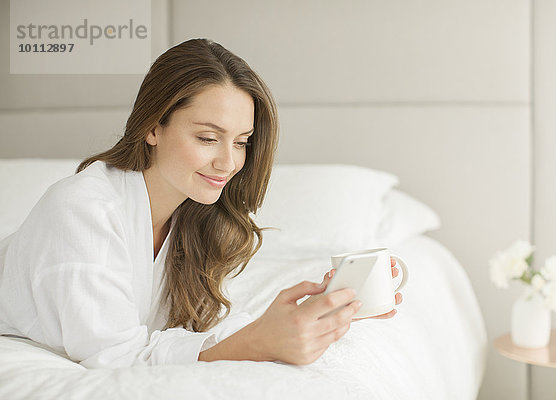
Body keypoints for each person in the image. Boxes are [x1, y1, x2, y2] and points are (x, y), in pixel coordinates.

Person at [0, 38, 402, 369]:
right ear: (153, 126)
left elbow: (188, 337)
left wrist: (317, 311)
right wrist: (254, 345)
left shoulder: (193, 215)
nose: (229, 163)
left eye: (241, 142)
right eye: (208, 138)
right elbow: (117, 362)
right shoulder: (83, 212)